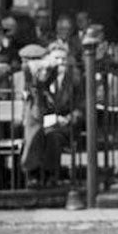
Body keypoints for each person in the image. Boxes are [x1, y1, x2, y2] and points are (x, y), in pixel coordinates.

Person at [21, 43, 83, 188]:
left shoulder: (75, 79)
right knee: (38, 131)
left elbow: (81, 107)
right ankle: (34, 174)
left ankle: (50, 175)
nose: (60, 62)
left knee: (52, 134)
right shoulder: (44, 77)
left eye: (63, 59)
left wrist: (67, 119)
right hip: (42, 122)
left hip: (64, 125)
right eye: (56, 58)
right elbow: (27, 72)